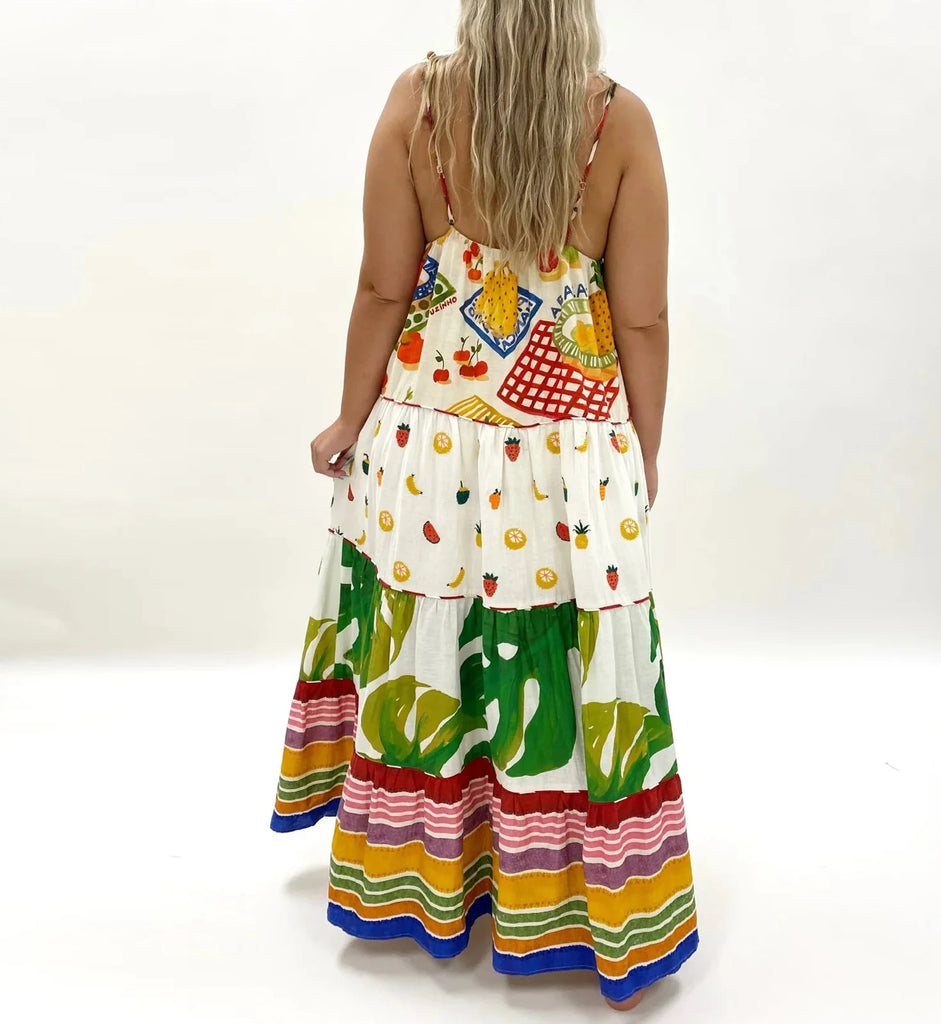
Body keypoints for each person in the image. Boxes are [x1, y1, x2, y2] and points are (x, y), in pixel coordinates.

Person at [270, 0, 698, 1011]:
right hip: (564, 458)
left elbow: (384, 287)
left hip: (425, 444)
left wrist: (346, 418)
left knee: (434, 650)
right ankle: (558, 892)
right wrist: (642, 451)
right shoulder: (617, 122)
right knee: (559, 663)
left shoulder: (418, 104)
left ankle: (428, 881)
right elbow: (640, 313)